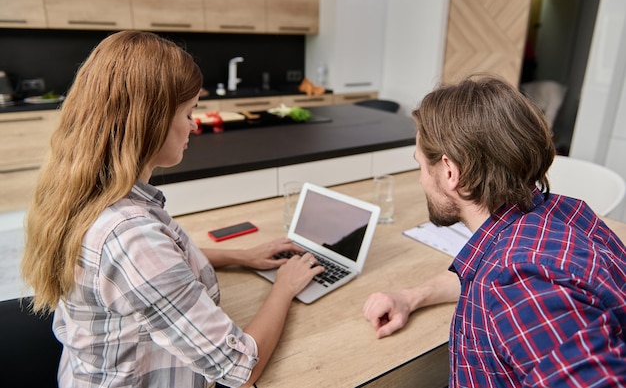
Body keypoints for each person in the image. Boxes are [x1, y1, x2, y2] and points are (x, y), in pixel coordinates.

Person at [21, 30, 324, 388]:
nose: (194, 125)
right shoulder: (130, 236)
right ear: (151, 121)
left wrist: (242, 256)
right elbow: (239, 369)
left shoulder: (86, 192)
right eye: (190, 111)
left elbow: (141, 270)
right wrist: (284, 287)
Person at [363, 75, 626, 386]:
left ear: (450, 172)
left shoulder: (519, 286)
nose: (421, 180)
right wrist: (411, 297)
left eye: (420, 165)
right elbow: (484, 276)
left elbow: (513, 285)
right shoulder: (558, 214)